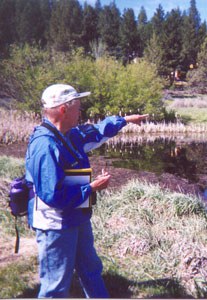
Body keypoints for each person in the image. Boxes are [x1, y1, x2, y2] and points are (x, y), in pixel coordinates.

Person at [25, 83, 148, 298]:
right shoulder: (45, 145)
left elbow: (98, 130)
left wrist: (125, 120)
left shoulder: (69, 134)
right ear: (64, 109)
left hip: (78, 216)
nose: (81, 112)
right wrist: (91, 188)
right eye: (78, 107)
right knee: (55, 285)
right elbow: (52, 196)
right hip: (56, 224)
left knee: (91, 269)